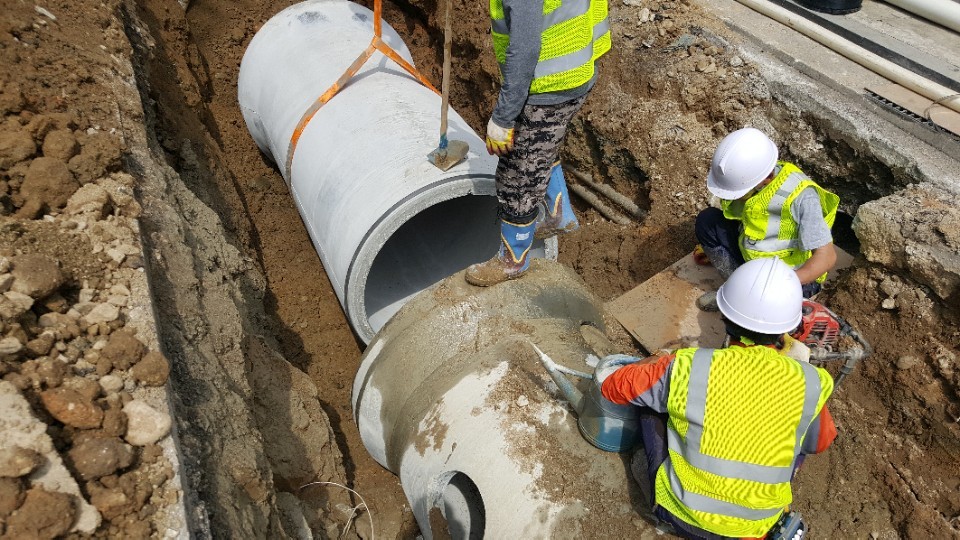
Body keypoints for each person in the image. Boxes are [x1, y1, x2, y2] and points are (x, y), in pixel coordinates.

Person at [600, 258, 837, 539]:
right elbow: (820, 442)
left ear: (724, 316)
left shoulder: (687, 366)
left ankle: (654, 486)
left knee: (651, 404)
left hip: (683, 517)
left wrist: (658, 361)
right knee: (799, 431)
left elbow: (613, 386)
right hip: (756, 529)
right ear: (789, 328)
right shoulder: (810, 381)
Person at [464, 0, 611, 287]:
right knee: (542, 144)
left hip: (549, 84)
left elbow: (525, 50)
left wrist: (504, 118)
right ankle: (559, 215)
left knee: (518, 175)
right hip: (578, 68)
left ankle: (513, 261)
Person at [694, 127, 840, 311]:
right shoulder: (752, 174)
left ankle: (750, 301)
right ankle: (735, 291)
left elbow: (827, 256)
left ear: (767, 178)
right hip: (755, 260)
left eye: (738, 192)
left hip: (790, 277)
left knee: (762, 314)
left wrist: (788, 282)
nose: (732, 197)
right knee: (707, 222)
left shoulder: (802, 197)